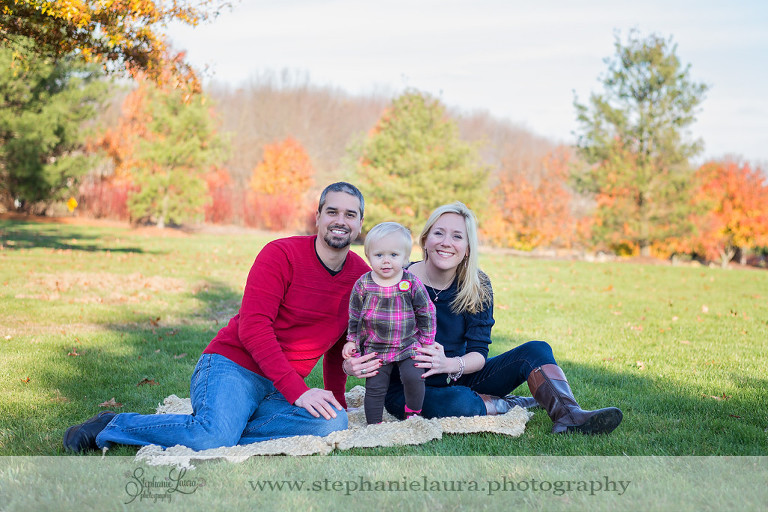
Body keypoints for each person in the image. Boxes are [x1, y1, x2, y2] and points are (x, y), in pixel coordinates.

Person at [63, 182, 373, 453]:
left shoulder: (361, 277)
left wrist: (336, 402)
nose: (340, 221)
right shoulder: (281, 254)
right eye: (332, 211)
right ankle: (114, 424)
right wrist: (298, 391)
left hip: (279, 386)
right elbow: (253, 328)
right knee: (212, 438)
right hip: (233, 366)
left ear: (360, 225)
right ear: (317, 217)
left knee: (332, 424)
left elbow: (338, 347)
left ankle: (227, 426)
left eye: (350, 214)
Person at [342, 202, 623, 435]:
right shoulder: (395, 280)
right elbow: (359, 336)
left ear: (467, 246)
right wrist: (350, 363)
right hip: (408, 386)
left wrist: (449, 364)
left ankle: (570, 416)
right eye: (439, 233)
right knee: (458, 403)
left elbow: (479, 352)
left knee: (536, 349)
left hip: (463, 373)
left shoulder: (477, 285)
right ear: (425, 240)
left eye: (457, 236)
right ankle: (508, 404)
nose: (446, 243)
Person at [342, 222, 436, 424]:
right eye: (379, 255)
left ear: (405, 258)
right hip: (376, 347)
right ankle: (374, 423)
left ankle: (412, 414)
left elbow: (426, 311)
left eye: (393, 255)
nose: (386, 261)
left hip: (407, 344)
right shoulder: (364, 284)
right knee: (375, 387)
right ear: (368, 256)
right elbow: (355, 315)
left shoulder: (410, 282)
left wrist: (427, 341)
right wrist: (352, 341)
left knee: (414, 376)